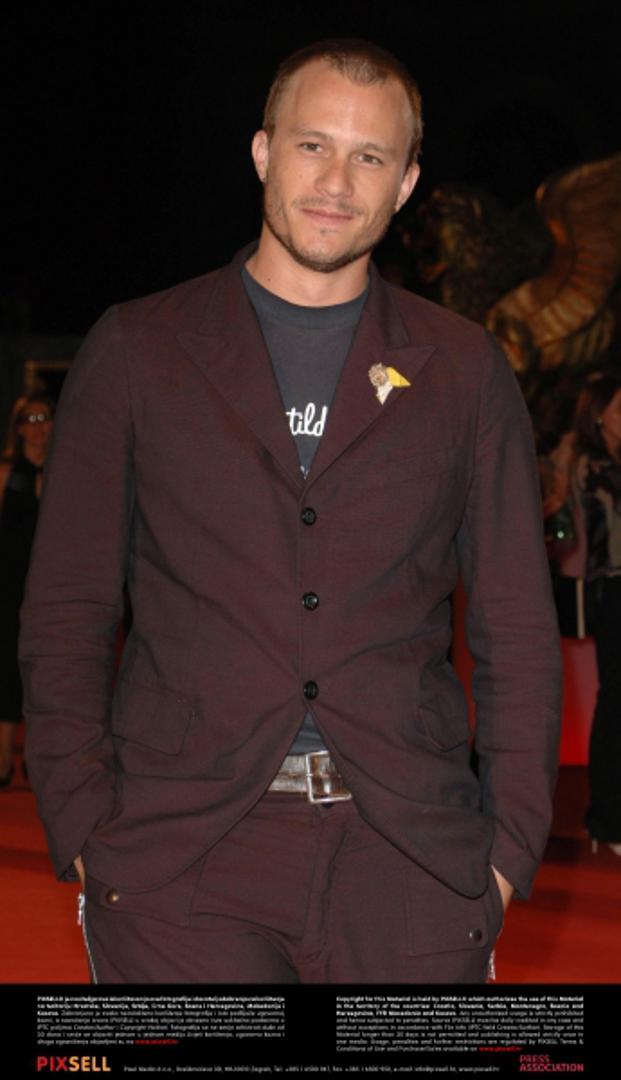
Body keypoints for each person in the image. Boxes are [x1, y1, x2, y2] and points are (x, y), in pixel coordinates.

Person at [20, 38, 562, 984]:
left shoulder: (463, 370)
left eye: (370, 157)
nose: (336, 183)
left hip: (407, 855)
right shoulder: (140, 348)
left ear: (406, 184)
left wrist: (506, 854)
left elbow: (517, 626)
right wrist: (82, 825)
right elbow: (68, 605)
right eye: (313, 145)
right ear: (264, 152)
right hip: (181, 855)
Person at [571, 374, 621, 854]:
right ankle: (606, 820)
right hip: (613, 589)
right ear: (599, 415)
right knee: (614, 703)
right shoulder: (591, 467)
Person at [0, 394, 54, 786]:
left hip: (51, 589)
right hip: (9, 586)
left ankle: (40, 757)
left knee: (47, 671)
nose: (38, 427)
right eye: (30, 419)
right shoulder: (5, 472)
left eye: (44, 418)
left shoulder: (67, 470)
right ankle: (3, 758)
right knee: (6, 669)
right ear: (18, 428)